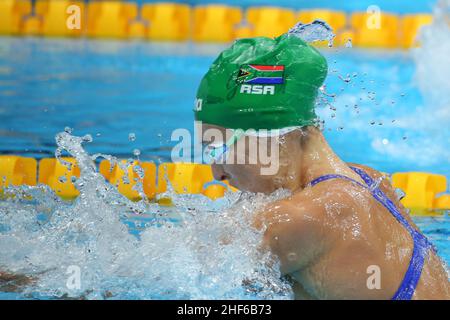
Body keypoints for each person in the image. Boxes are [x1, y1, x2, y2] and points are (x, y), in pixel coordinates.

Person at [195, 33, 450, 299]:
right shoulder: (370, 180)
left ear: (270, 133)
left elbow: (175, 271)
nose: (217, 172)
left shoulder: (300, 218)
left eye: (220, 146)